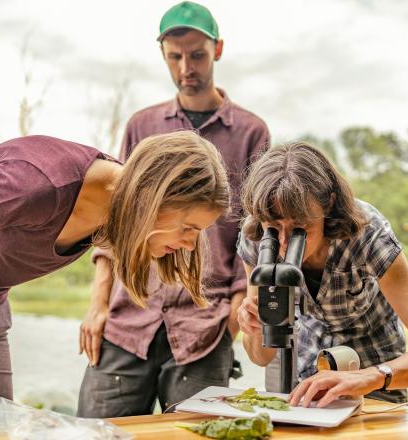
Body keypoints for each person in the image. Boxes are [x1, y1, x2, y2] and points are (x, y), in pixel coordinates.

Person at [0, 131, 229, 415]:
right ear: (155, 196)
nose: (188, 243)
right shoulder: (38, 185)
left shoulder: (118, 207)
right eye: (189, 227)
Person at [77, 1, 269, 417]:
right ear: (163, 55)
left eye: (197, 54)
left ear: (217, 50)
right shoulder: (141, 127)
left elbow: (255, 231)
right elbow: (116, 221)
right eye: (175, 56)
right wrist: (99, 304)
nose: (187, 67)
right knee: (95, 431)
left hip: (205, 323)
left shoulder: (252, 132)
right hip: (129, 319)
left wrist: (236, 312)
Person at [236, 142, 408, 406]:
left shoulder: (368, 234)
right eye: (274, 227)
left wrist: (370, 377)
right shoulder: (257, 238)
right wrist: (253, 329)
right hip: (309, 387)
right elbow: (261, 357)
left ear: (328, 204)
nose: (285, 242)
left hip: (377, 384)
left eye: (301, 228)